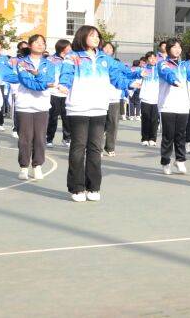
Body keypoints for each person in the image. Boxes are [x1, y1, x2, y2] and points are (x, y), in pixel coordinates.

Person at [58, 26, 140, 202]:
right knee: (78, 148)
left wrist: (131, 84)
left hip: (99, 108)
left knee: (95, 148)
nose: (96, 38)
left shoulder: (105, 59)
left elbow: (117, 78)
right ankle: (77, 188)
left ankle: (93, 187)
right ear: (82, 37)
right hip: (78, 108)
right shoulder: (73, 57)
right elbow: (66, 75)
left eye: (97, 36)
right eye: (92, 35)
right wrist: (64, 84)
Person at [156, 38, 190, 176]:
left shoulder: (184, 66)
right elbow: (168, 74)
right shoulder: (162, 64)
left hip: (183, 105)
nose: (177, 49)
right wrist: (174, 81)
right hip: (167, 106)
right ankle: (166, 161)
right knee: (168, 136)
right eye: (174, 47)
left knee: (181, 135)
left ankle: (180, 160)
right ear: (168, 50)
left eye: (179, 47)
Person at [13, 35, 57, 180]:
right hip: (24, 105)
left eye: (42, 43)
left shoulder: (49, 64)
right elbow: (26, 82)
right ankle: (24, 167)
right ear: (30, 45)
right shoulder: (22, 63)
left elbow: (50, 80)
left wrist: (38, 77)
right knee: (25, 138)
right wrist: (42, 82)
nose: (40, 45)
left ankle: (37, 165)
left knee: (40, 138)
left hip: (42, 106)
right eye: (37, 42)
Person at [100, 42, 126, 157]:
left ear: (113, 51)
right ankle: (97, 147)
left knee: (113, 124)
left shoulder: (117, 65)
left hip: (114, 99)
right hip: (100, 98)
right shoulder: (98, 63)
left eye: (110, 48)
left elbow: (127, 75)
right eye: (105, 48)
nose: (108, 49)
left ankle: (110, 147)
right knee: (99, 125)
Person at [44, 39, 72, 146]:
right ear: (62, 48)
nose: (70, 49)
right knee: (52, 117)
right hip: (54, 92)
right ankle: (49, 138)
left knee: (67, 117)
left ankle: (67, 138)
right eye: (68, 47)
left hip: (67, 92)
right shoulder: (50, 59)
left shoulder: (72, 59)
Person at [138, 52, 161, 147]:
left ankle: (152, 138)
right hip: (145, 98)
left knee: (154, 120)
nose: (152, 60)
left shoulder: (159, 70)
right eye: (150, 58)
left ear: (156, 59)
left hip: (156, 99)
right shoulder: (143, 69)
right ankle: (144, 138)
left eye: (154, 58)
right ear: (147, 60)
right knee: (145, 119)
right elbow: (138, 80)